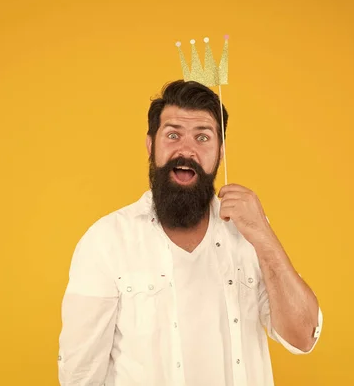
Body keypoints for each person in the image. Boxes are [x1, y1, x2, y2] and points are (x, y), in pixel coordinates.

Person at [58, 80, 323, 386]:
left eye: (202, 137)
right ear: (150, 144)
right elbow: (80, 375)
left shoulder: (249, 234)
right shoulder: (106, 241)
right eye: (173, 135)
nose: (186, 150)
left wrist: (263, 235)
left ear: (220, 152)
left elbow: (303, 337)